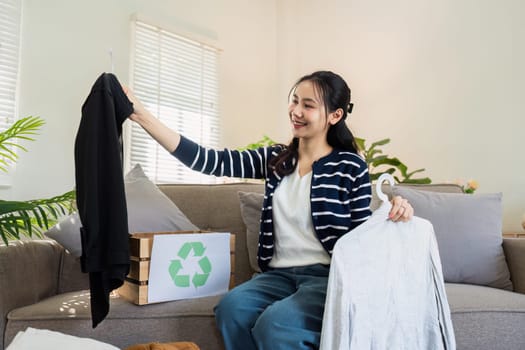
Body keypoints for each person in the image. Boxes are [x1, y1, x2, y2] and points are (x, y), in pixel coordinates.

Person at [125, 70, 414, 350]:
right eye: (294, 100)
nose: (296, 111)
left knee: (275, 325)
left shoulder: (350, 166)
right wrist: (141, 116)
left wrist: (395, 210)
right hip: (276, 276)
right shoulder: (276, 158)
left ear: (335, 116)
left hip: (328, 277)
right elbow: (209, 161)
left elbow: (363, 233)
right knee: (231, 309)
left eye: (308, 105)